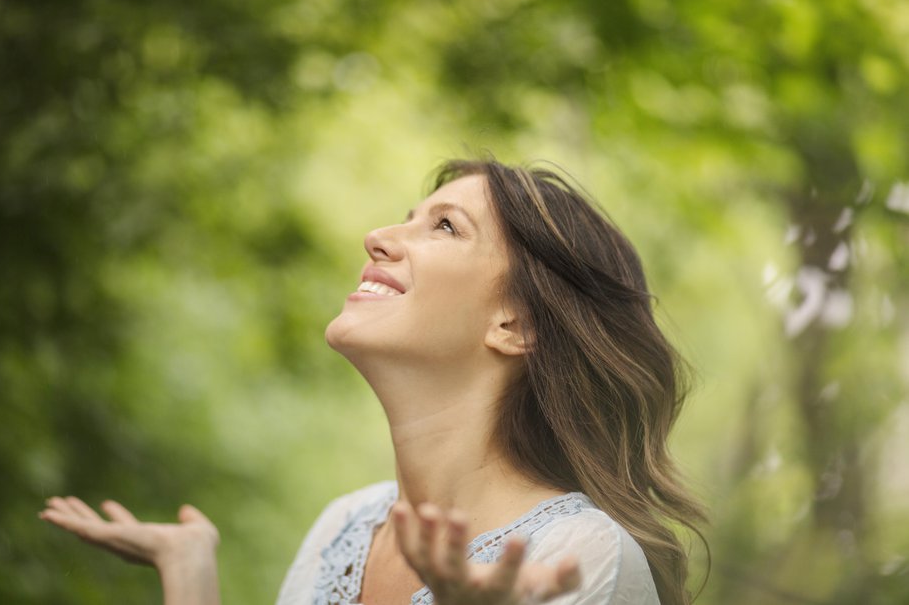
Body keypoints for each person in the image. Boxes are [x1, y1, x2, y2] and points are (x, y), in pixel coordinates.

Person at [40, 158, 707, 605]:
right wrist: (192, 577)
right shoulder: (346, 525)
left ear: (515, 324)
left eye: (444, 225)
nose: (378, 236)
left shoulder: (585, 554)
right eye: (408, 216)